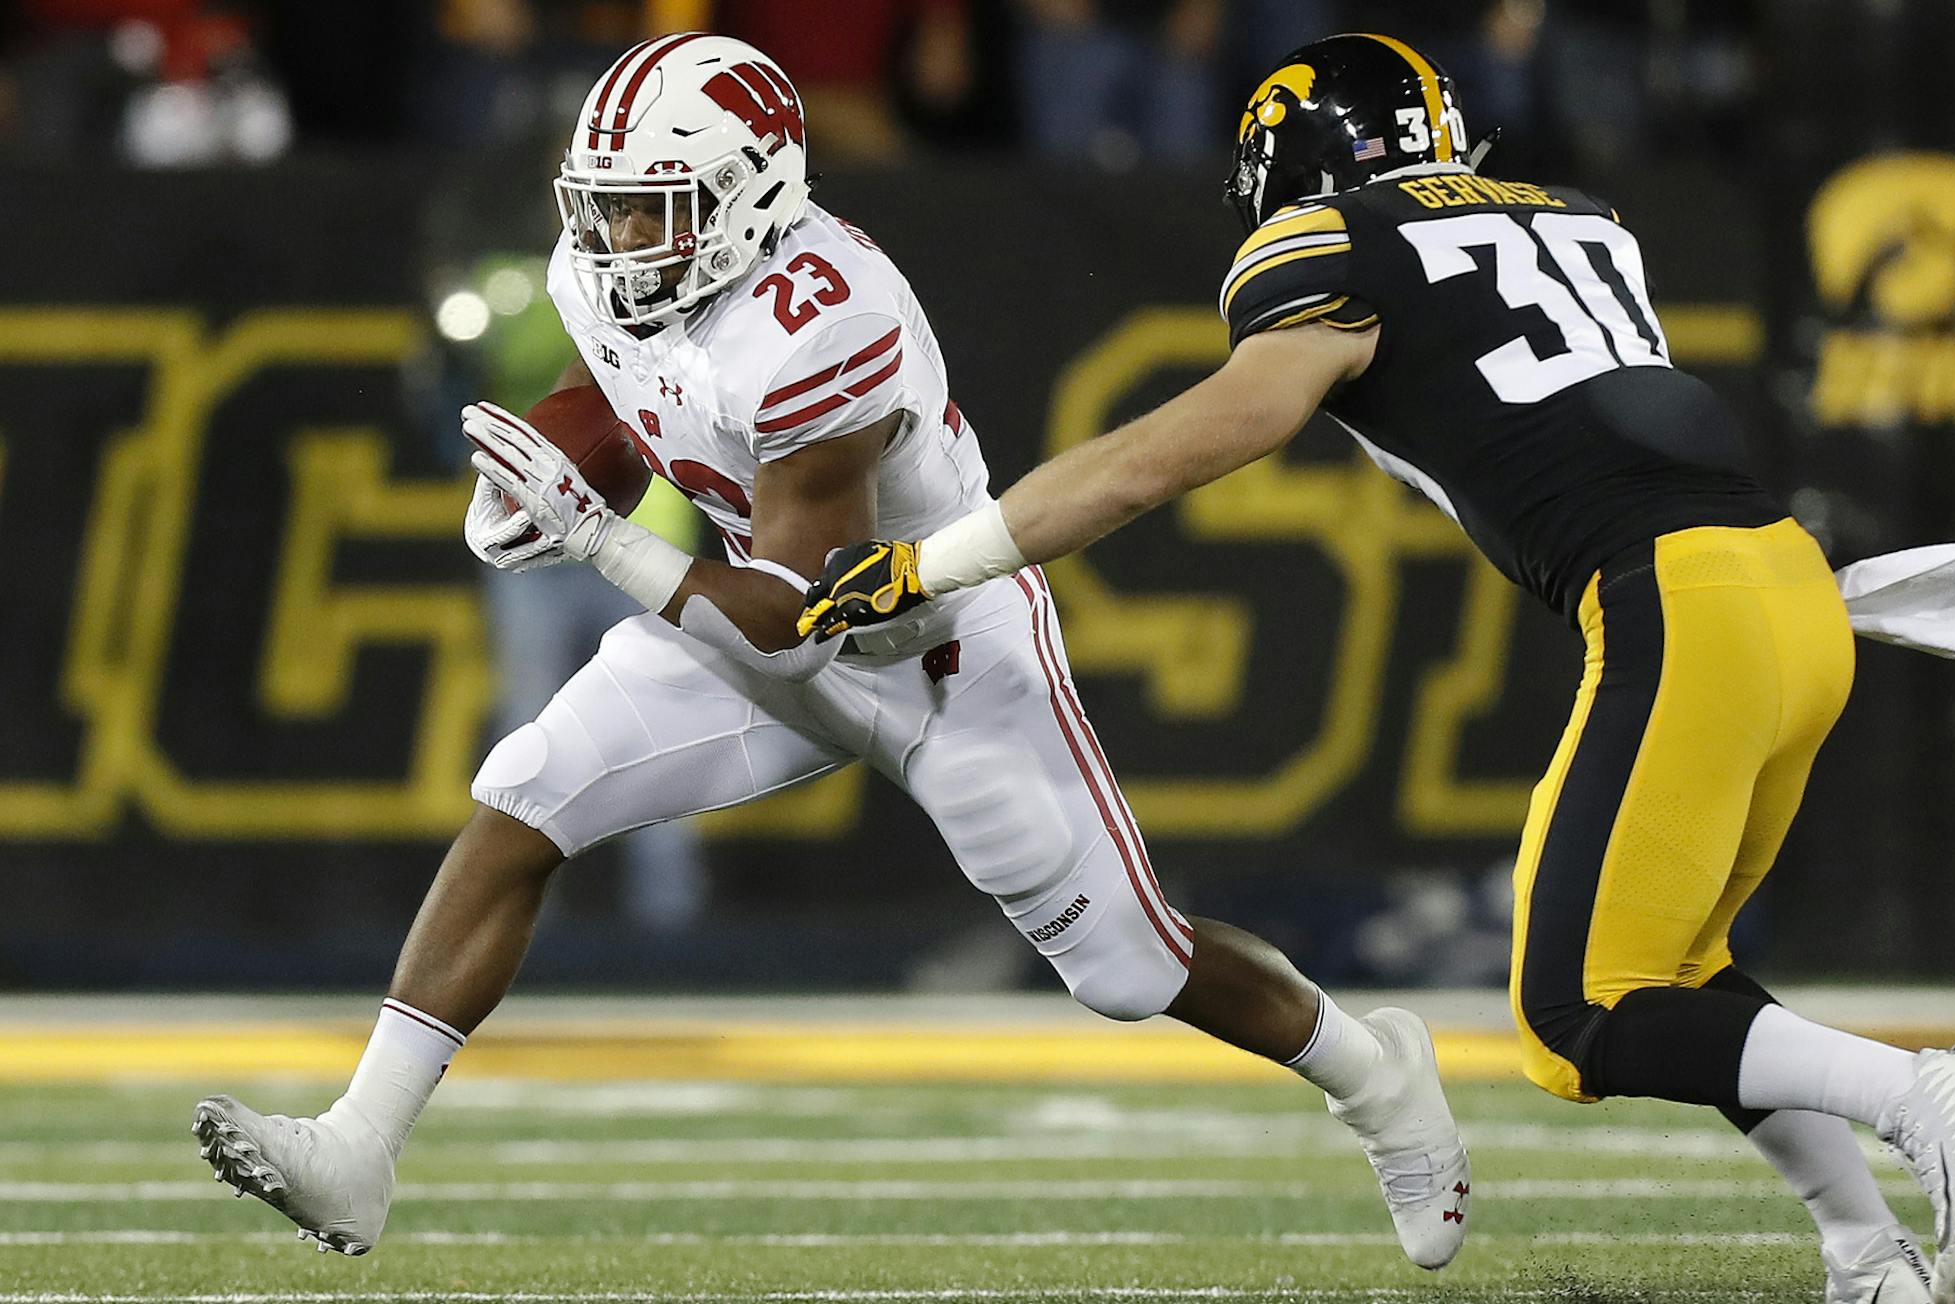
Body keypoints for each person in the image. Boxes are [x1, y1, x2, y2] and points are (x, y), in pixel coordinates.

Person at [189, 32, 1470, 1273]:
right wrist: (552, 467)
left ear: (750, 201)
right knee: (525, 793)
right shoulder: (617, 267)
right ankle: (359, 1143)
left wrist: (599, 539)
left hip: (934, 647)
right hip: (757, 607)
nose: (619, 241)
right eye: (608, 208)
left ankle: (1373, 1073)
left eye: (655, 211)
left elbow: (800, 625)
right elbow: (631, 396)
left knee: (1132, 968)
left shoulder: (827, 323)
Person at [796, 33, 1955, 1304]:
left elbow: (1172, 452)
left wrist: (937, 558)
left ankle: (1925, 1090)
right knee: (1682, 974)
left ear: (1296, 163)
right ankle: (1865, 1250)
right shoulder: (1574, 213)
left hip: (1681, 604)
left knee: (1576, 1017)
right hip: (1790, 592)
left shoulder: (1326, 243)